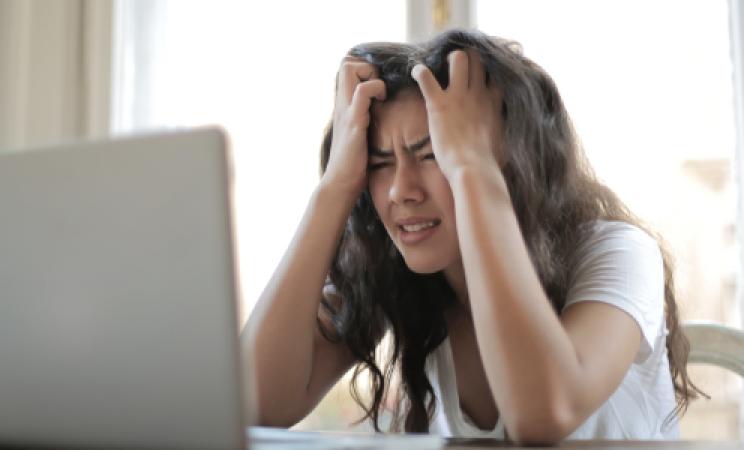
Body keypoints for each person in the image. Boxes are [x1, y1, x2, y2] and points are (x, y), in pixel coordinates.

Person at [242, 29, 702, 444]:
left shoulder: (619, 252)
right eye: (380, 164)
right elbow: (253, 404)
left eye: (434, 154)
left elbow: (543, 414)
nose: (401, 191)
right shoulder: (401, 277)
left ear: (511, 159)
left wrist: (472, 169)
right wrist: (335, 187)